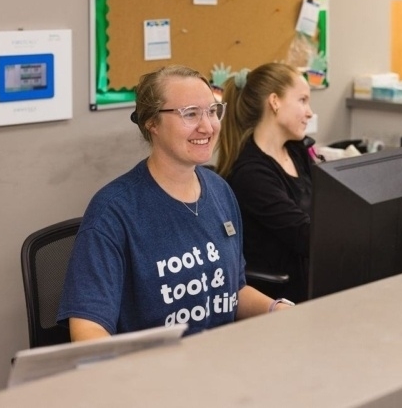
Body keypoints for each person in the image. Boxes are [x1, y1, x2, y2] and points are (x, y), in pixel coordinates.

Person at [57, 65, 293, 342]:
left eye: (213, 111)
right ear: (152, 123)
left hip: (220, 365)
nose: (207, 126)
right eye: (190, 114)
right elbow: (87, 332)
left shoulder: (220, 190)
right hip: (151, 376)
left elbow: (233, 292)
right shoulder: (113, 211)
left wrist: (275, 309)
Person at [216, 63, 315, 302]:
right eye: (302, 100)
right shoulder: (251, 174)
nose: (309, 112)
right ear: (275, 102)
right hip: (284, 297)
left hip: (312, 276)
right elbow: (306, 236)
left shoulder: (295, 151)